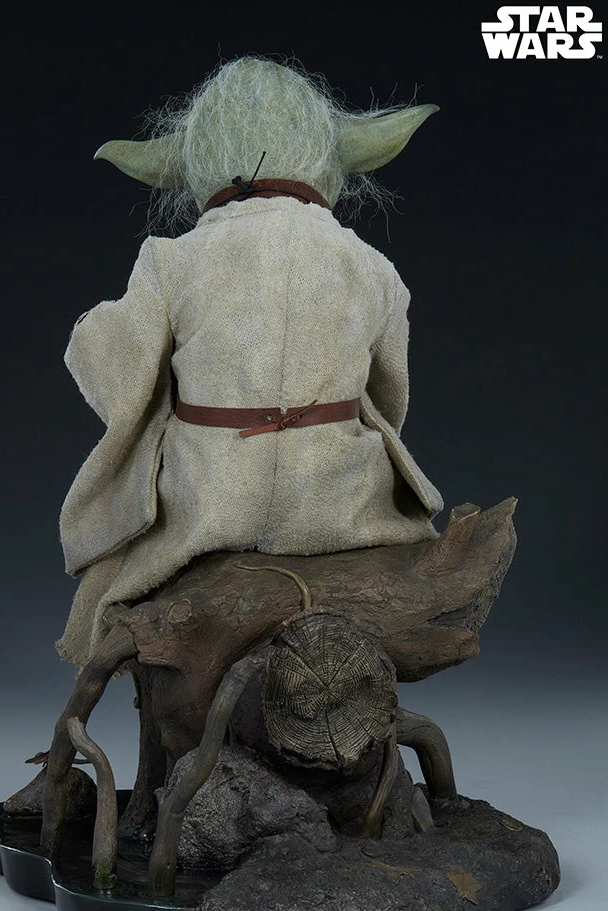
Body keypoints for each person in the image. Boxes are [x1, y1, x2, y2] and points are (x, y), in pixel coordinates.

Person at [57, 57, 443, 668]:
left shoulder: (173, 259)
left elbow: (121, 376)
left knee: (117, 573)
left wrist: (89, 332)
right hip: (341, 502)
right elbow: (390, 397)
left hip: (207, 504)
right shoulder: (370, 264)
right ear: (325, 154)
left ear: (200, 158)